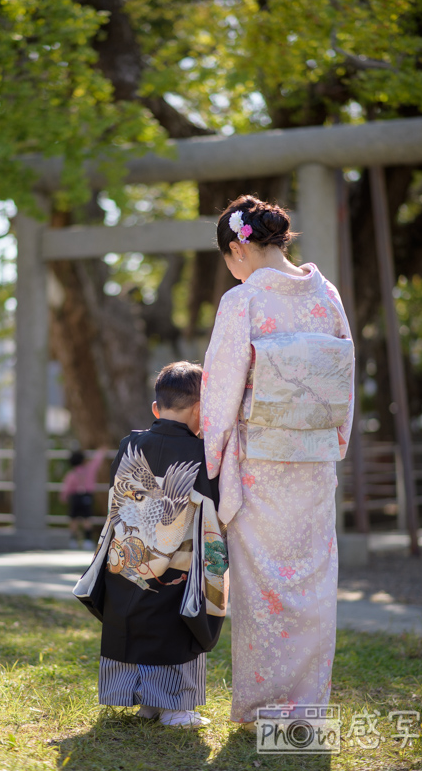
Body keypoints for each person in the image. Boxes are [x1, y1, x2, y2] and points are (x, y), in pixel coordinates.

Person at [201, 195, 354, 728]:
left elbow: (219, 391)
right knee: (311, 581)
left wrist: (213, 458)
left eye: (226, 256)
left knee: (264, 585)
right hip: (312, 460)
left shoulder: (242, 301)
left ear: (238, 248)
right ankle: (307, 710)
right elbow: (344, 376)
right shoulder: (327, 293)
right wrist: (336, 440)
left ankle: (265, 710)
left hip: (259, 461)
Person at [73, 361, 228, 729]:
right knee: (180, 622)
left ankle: (141, 699)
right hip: (176, 563)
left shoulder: (130, 444)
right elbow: (215, 511)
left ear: (157, 408)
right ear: (201, 409)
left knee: (130, 617)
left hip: (126, 560)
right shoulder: (201, 455)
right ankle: (174, 706)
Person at [60, 448, 107, 550]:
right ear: (83, 460)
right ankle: (88, 540)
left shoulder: (71, 474)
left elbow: (66, 487)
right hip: (87, 496)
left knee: (73, 519)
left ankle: (73, 540)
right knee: (87, 518)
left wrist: (64, 497)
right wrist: (102, 451)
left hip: (74, 497)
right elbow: (96, 461)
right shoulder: (89, 470)